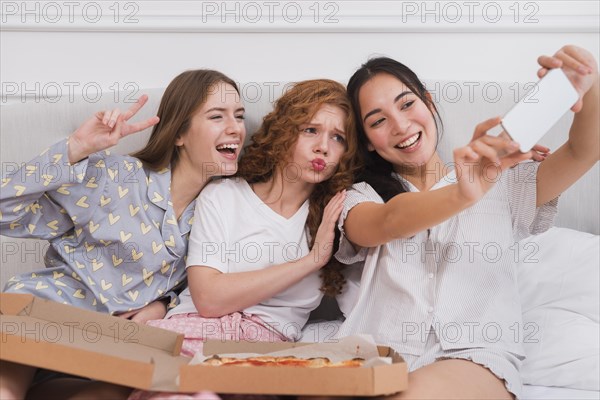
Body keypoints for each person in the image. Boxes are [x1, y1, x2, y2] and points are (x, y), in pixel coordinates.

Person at [334, 45, 598, 399]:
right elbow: (389, 220)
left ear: (429, 103)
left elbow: (585, 150)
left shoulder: (505, 182)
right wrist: (464, 193)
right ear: (367, 141)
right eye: (378, 120)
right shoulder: (360, 197)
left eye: (407, 104)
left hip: (471, 358)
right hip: (372, 357)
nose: (400, 125)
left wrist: (588, 83)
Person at [0, 70, 247, 400]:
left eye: (240, 116)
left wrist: (163, 304)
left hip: (111, 348)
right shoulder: (117, 176)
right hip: (43, 314)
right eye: (217, 116)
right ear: (179, 134)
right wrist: (76, 148)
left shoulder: (222, 211)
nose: (235, 127)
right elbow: (6, 211)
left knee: (113, 393)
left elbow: (204, 289)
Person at [128, 79, 357, 400]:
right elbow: (208, 298)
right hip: (190, 335)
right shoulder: (222, 196)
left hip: (262, 357)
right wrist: (309, 261)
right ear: (285, 130)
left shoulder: (336, 216)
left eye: (338, 138)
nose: (324, 147)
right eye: (310, 130)